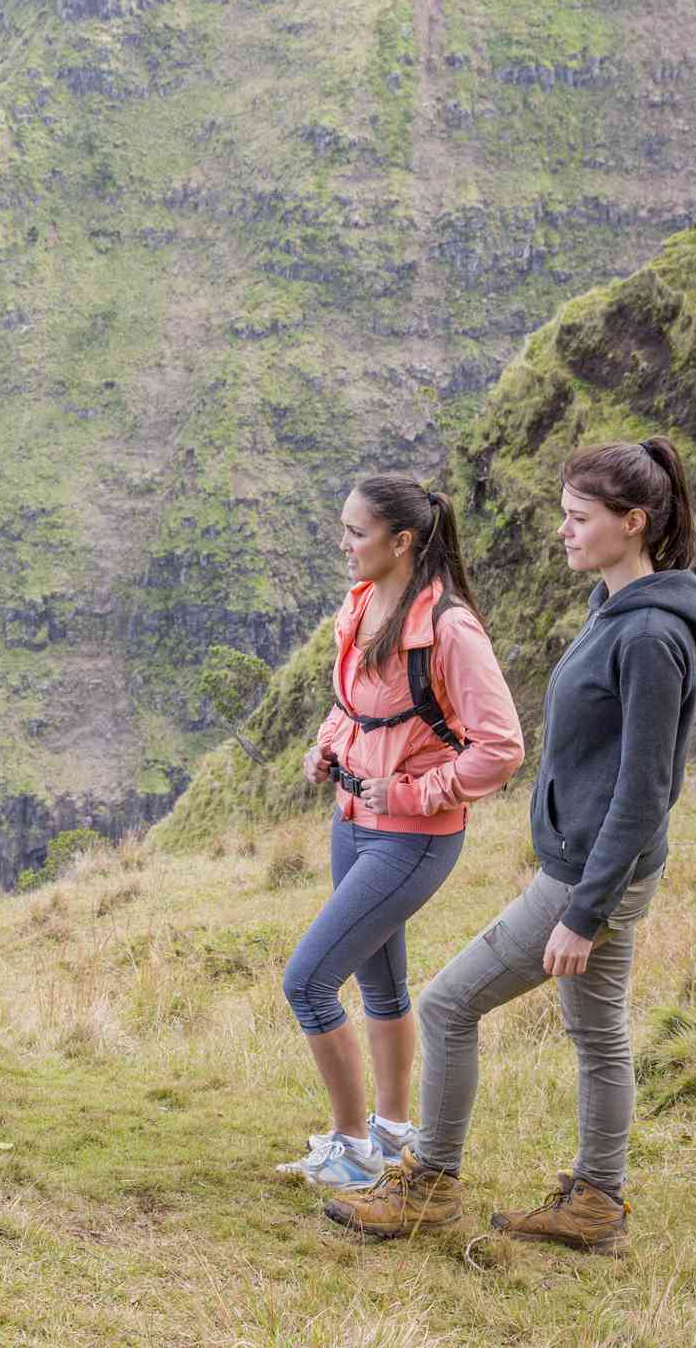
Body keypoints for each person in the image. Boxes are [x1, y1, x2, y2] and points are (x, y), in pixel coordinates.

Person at [326, 437, 696, 1255]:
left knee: (445, 1004)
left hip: (587, 876)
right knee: (598, 1033)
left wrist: (582, 911)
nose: (563, 533)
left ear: (632, 522)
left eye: (579, 519)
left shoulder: (647, 637)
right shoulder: (613, 611)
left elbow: (644, 788)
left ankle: (430, 1186)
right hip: (593, 869)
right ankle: (594, 1204)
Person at [275, 476, 523, 1190]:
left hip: (412, 838)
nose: (343, 543)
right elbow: (352, 706)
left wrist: (417, 791)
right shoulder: (360, 606)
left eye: (356, 532)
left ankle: (351, 1150)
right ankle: (387, 1132)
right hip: (351, 822)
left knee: (308, 982)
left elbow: (500, 746)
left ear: (401, 541)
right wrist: (326, 746)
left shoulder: (450, 629)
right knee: (379, 984)